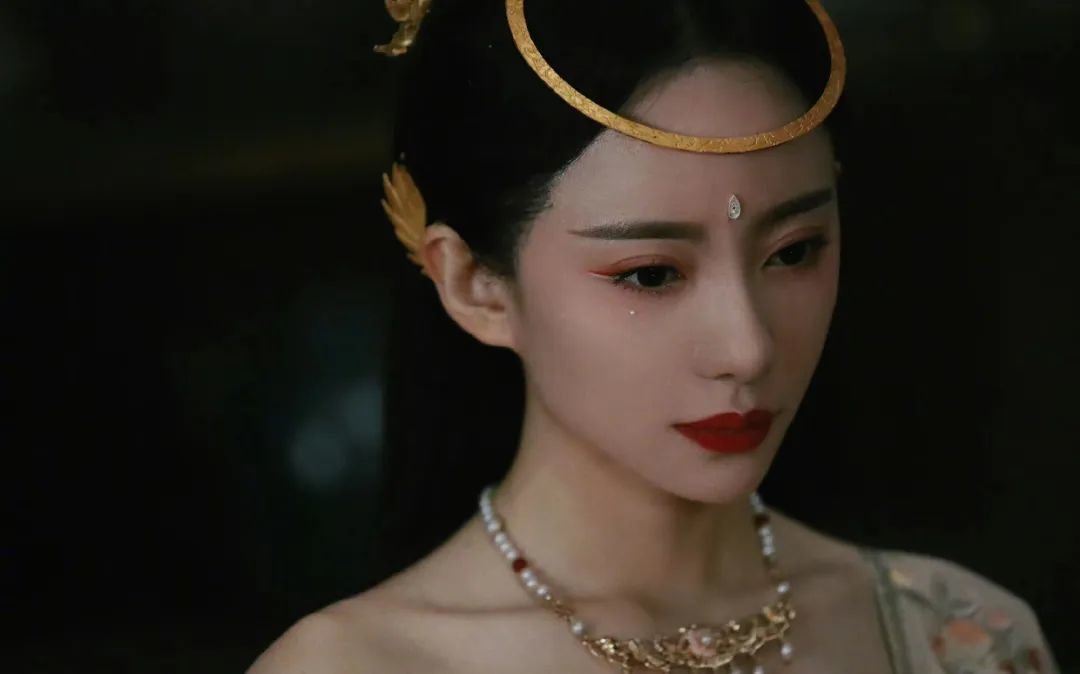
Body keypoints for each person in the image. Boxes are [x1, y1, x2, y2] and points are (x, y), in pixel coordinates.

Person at [250, 0, 1058, 672]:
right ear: (474, 285)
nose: (747, 349)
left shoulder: (954, 637)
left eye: (794, 252)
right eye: (649, 275)